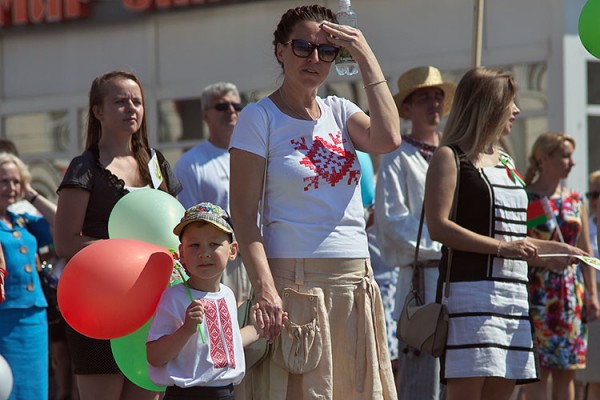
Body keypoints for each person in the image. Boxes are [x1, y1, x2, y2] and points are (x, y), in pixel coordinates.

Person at [229, 4, 400, 399]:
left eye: (328, 51)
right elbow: (242, 213)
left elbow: (389, 138)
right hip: (295, 284)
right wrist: (265, 288)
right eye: (303, 46)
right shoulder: (260, 117)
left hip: (356, 281)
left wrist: (365, 55)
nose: (314, 58)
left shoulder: (341, 111)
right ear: (280, 50)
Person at [424, 67, 589, 400]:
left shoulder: (507, 161)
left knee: (503, 392)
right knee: (467, 392)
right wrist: (503, 248)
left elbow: (516, 235)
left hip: (514, 297)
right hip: (471, 295)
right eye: (510, 103)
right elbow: (438, 226)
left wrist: (558, 250)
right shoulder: (449, 157)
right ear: (489, 106)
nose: (516, 110)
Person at [54, 70, 182, 400]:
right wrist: (126, 255)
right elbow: (65, 240)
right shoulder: (84, 168)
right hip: (102, 302)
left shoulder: (157, 163)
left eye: (137, 101)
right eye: (120, 101)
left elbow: (176, 228)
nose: (131, 108)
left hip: (155, 303)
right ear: (97, 111)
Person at [375, 65, 455, 400]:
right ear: (406, 109)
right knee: (421, 384)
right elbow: (392, 221)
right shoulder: (398, 157)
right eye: (424, 98)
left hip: (459, 279)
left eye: (438, 97)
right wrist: (447, 240)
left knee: (457, 378)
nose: (433, 104)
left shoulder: (453, 154)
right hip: (422, 282)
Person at [147, 202, 264, 400]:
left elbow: (228, 344)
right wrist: (186, 330)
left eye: (214, 244)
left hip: (225, 393)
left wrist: (258, 329)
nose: (204, 253)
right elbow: (155, 357)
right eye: (194, 245)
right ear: (182, 253)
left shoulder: (227, 295)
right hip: (186, 395)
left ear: (233, 251)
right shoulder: (174, 297)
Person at [522, 132, 600, 400]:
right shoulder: (528, 198)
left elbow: (586, 251)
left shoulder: (575, 200)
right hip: (537, 292)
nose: (572, 162)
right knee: (537, 369)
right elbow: (521, 244)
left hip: (570, 293)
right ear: (544, 158)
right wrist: (543, 259)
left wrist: (592, 295)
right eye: (565, 155)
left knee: (568, 369)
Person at [174, 82, 251, 303]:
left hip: (256, 252)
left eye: (237, 106)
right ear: (206, 115)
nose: (231, 111)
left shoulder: (256, 155)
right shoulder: (190, 163)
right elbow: (189, 222)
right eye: (221, 106)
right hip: (216, 260)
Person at [0, 152, 57, 400]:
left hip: (35, 316)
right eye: (3, 181)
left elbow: (61, 223)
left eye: (16, 181)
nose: (10, 187)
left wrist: (31, 194)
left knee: (35, 389)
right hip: (5, 318)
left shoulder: (21, 220)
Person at [576, 170, 600, 400]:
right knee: (594, 377)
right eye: (591, 195)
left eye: (598, 194)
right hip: (593, 305)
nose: (594, 201)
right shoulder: (586, 228)